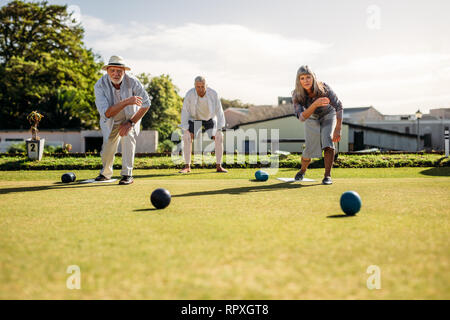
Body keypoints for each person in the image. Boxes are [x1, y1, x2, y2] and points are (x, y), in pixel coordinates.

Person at [93, 55, 151, 185]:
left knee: (128, 138)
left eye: (119, 71)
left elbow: (146, 104)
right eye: (112, 70)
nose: (116, 74)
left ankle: (127, 174)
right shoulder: (99, 85)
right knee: (108, 147)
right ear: (107, 71)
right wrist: (127, 101)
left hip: (130, 117)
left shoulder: (134, 82)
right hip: (111, 119)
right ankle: (105, 173)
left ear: (124, 71)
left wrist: (130, 123)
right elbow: (107, 113)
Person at [292, 65, 343, 185]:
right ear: (299, 80)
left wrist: (338, 128)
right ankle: (302, 170)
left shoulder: (324, 88)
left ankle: (327, 176)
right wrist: (315, 104)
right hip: (310, 117)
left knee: (328, 141)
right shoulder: (297, 95)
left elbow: (339, 106)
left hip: (328, 115)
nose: (306, 81)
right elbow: (302, 117)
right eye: (302, 78)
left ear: (313, 77)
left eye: (308, 77)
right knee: (309, 149)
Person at [179, 76, 227, 173]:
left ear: (206, 86)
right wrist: (186, 129)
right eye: (198, 87)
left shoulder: (213, 94)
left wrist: (219, 128)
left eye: (202, 86)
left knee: (219, 136)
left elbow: (219, 111)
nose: (200, 89)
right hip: (194, 119)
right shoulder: (189, 94)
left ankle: (219, 166)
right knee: (186, 136)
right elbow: (185, 111)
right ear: (194, 86)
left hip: (209, 118)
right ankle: (187, 166)